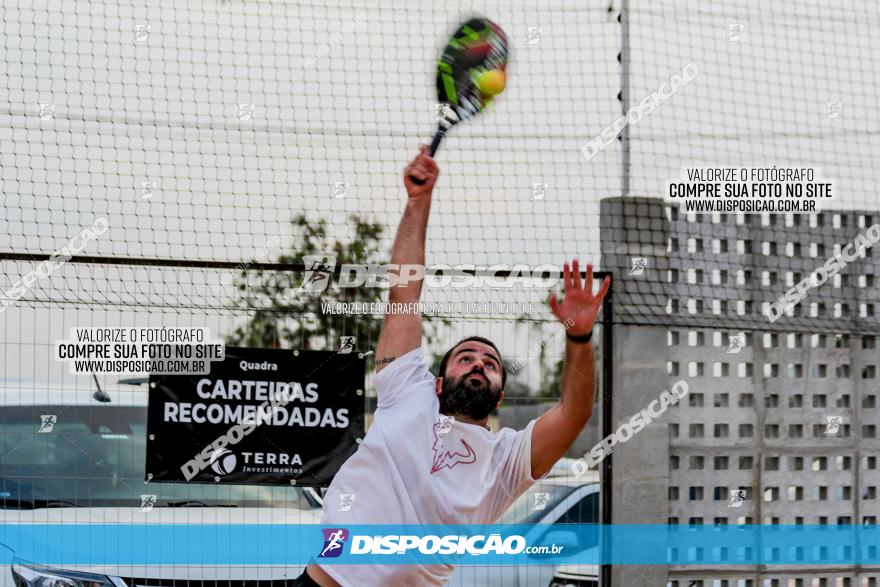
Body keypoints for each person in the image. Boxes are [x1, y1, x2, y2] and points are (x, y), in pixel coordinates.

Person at [295, 146, 610, 586]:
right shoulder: (409, 390)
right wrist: (418, 202)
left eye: (491, 363)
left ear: (500, 395)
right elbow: (404, 291)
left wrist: (578, 336)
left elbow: (575, 412)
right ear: (440, 383)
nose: (479, 363)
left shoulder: (506, 461)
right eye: (467, 358)